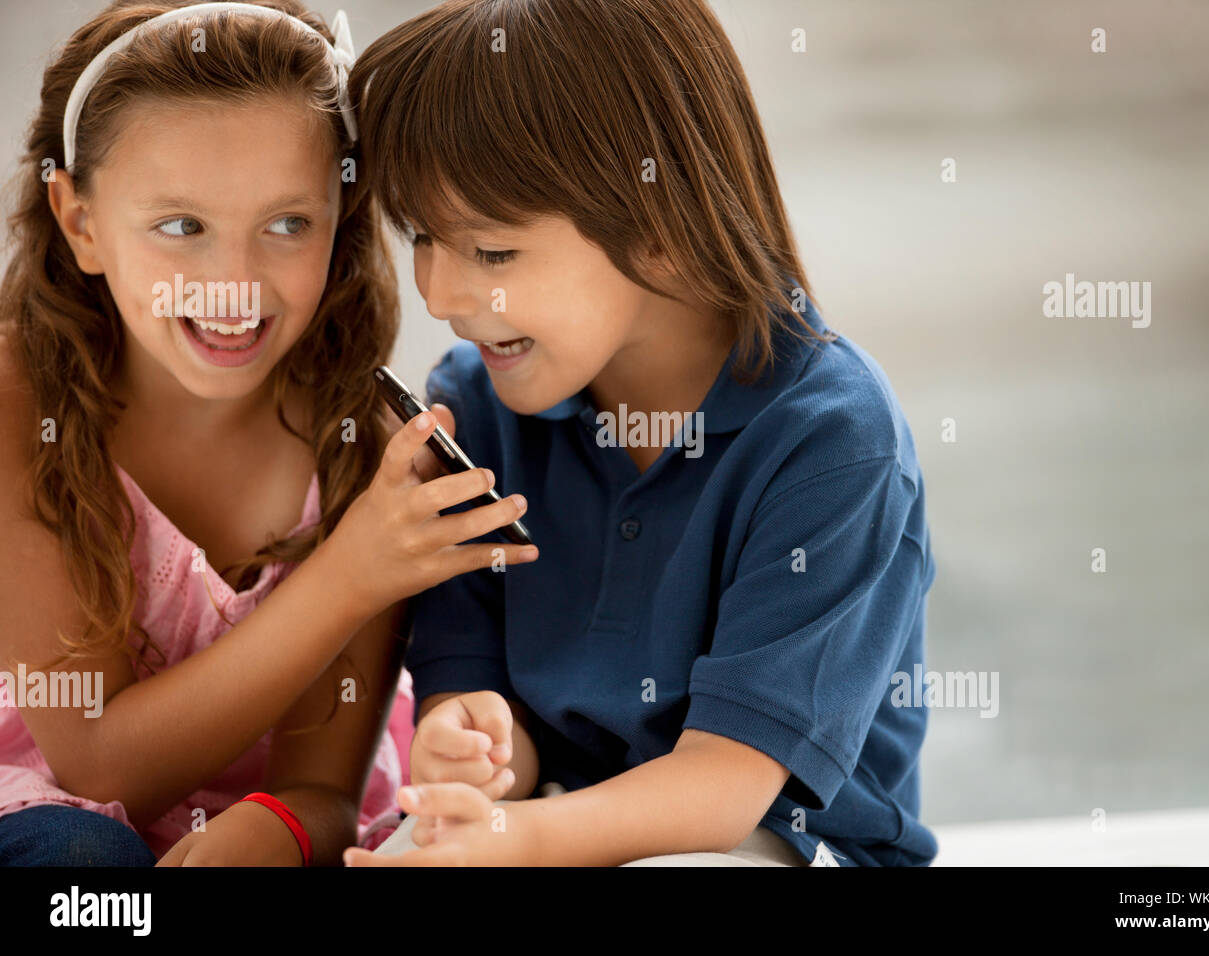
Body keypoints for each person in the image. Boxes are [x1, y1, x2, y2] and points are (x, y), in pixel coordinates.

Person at [343, 0, 938, 867]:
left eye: (493, 253)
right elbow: (472, 681)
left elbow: (724, 790)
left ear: (662, 229)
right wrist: (471, 744)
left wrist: (515, 839)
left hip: (771, 847)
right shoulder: (472, 407)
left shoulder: (832, 441)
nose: (437, 293)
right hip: (553, 823)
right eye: (422, 238)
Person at [0, 0, 537, 866]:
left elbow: (324, 791)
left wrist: (278, 828)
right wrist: (352, 574)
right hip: (46, 818)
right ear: (81, 223)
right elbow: (99, 764)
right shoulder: (21, 403)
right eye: (182, 227)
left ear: (341, 214)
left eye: (289, 223)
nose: (234, 284)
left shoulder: (358, 447)